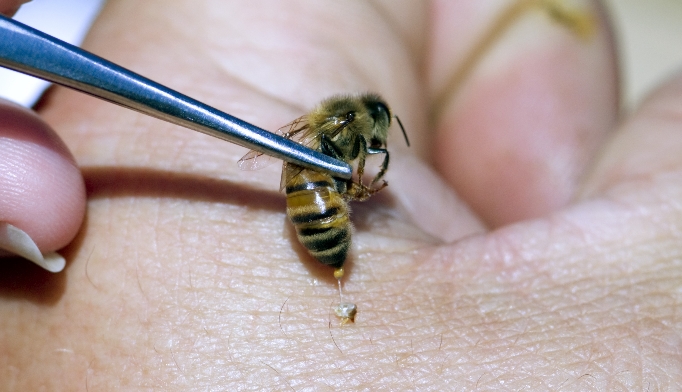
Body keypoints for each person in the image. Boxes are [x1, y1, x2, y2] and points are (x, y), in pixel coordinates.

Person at [2, 0, 680, 389]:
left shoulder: (336, 126)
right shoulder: (354, 131)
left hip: (312, 196)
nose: (381, 141)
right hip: (318, 204)